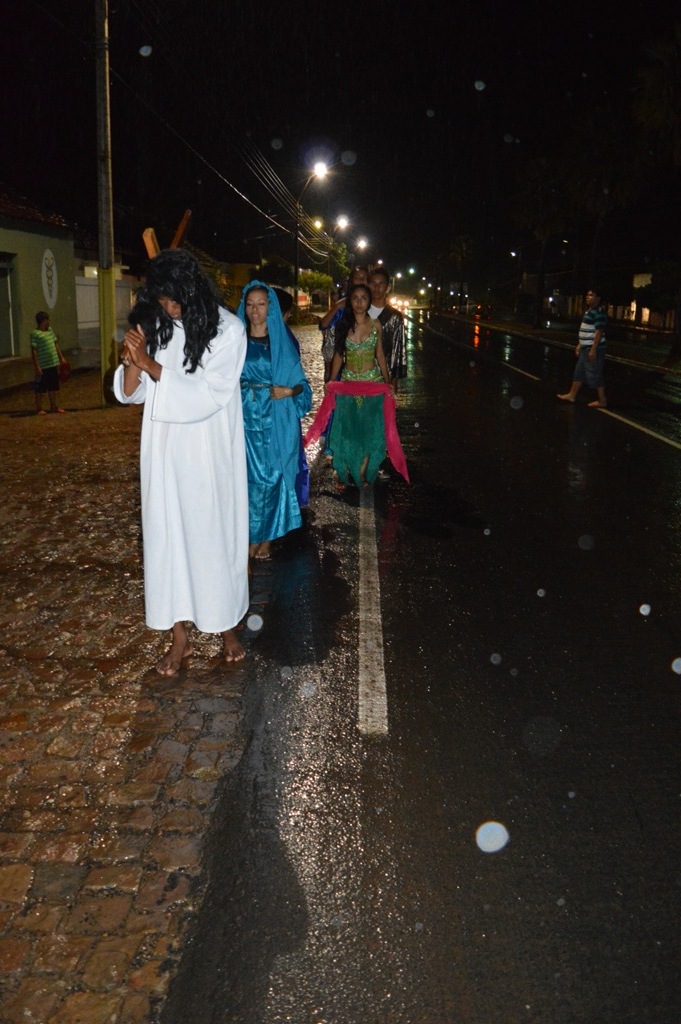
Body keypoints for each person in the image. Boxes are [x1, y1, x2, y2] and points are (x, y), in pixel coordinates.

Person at [113, 248, 249, 675]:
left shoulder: (229, 330)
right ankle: (179, 638)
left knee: (213, 541)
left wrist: (150, 364)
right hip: (164, 453)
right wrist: (132, 360)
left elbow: (211, 394)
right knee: (166, 542)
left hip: (209, 455)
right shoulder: (156, 322)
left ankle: (226, 628)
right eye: (163, 298)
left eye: (175, 298)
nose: (170, 307)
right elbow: (128, 392)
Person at [237, 281, 312, 560]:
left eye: (261, 304)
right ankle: (250, 536)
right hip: (242, 423)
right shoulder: (235, 341)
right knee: (246, 481)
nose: (255, 310)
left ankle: (265, 537)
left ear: (271, 308)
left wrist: (289, 391)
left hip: (275, 421)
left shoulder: (281, 344)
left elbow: (303, 384)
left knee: (273, 479)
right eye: (250, 304)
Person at [327, 283, 391, 486]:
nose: (359, 302)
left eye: (364, 298)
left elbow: (380, 354)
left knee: (368, 431)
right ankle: (350, 468)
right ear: (350, 301)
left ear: (369, 301)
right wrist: (331, 380)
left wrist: (387, 382)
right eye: (355, 298)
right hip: (349, 385)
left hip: (372, 384)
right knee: (350, 430)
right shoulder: (343, 326)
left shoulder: (376, 325)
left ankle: (362, 472)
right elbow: (338, 355)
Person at [318, 266, 370, 382]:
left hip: (366, 369)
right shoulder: (342, 304)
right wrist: (336, 306)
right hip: (341, 364)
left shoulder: (371, 307)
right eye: (357, 278)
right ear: (351, 280)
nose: (361, 281)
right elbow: (323, 325)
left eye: (364, 278)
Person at [557, 288, 608, 408]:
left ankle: (602, 401)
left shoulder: (599, 312)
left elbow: (599, 332)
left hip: (593, 349)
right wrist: (580, 344)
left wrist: (593, 349)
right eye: (587, 295)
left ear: (598, 298)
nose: (587, 297)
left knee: (595, 374)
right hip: (585, 348)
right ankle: (572, 395)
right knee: (579, 373)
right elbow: (587, 330)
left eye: (591, 295)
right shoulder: (589, 311)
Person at [368, 267, 407, 391]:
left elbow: (398, 348)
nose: (377, 288)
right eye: (373, 284)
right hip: (360, 374)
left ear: (388, 287)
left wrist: (393, 379)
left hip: (383, 374)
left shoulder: (394, 316)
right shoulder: (360, 312)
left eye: (381, 284)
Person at [31, 311, 69, 414]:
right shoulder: (35, 334)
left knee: (53, 386)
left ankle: (54, 406)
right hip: (43, 364)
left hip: (52, 363)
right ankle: (39, 408)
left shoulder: (50, 331)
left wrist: (61, 358)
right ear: (43, 321)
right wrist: (37, 366)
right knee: (40, 387)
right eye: (47, 320)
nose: (48, 322)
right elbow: (34, 350)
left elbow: (55, 344)